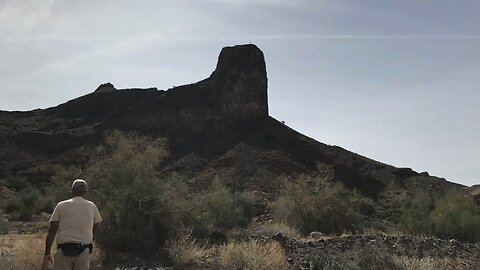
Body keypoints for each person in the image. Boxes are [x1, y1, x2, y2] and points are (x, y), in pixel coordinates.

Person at [42, 179, 102, 270]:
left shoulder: (61, 205)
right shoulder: (92, 206)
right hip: (84, 250)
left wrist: (47, 253)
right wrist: (90, 239)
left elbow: (52, 230)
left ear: (72, 190)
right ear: (85, 192)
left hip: (63, 250)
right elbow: (97, 224)